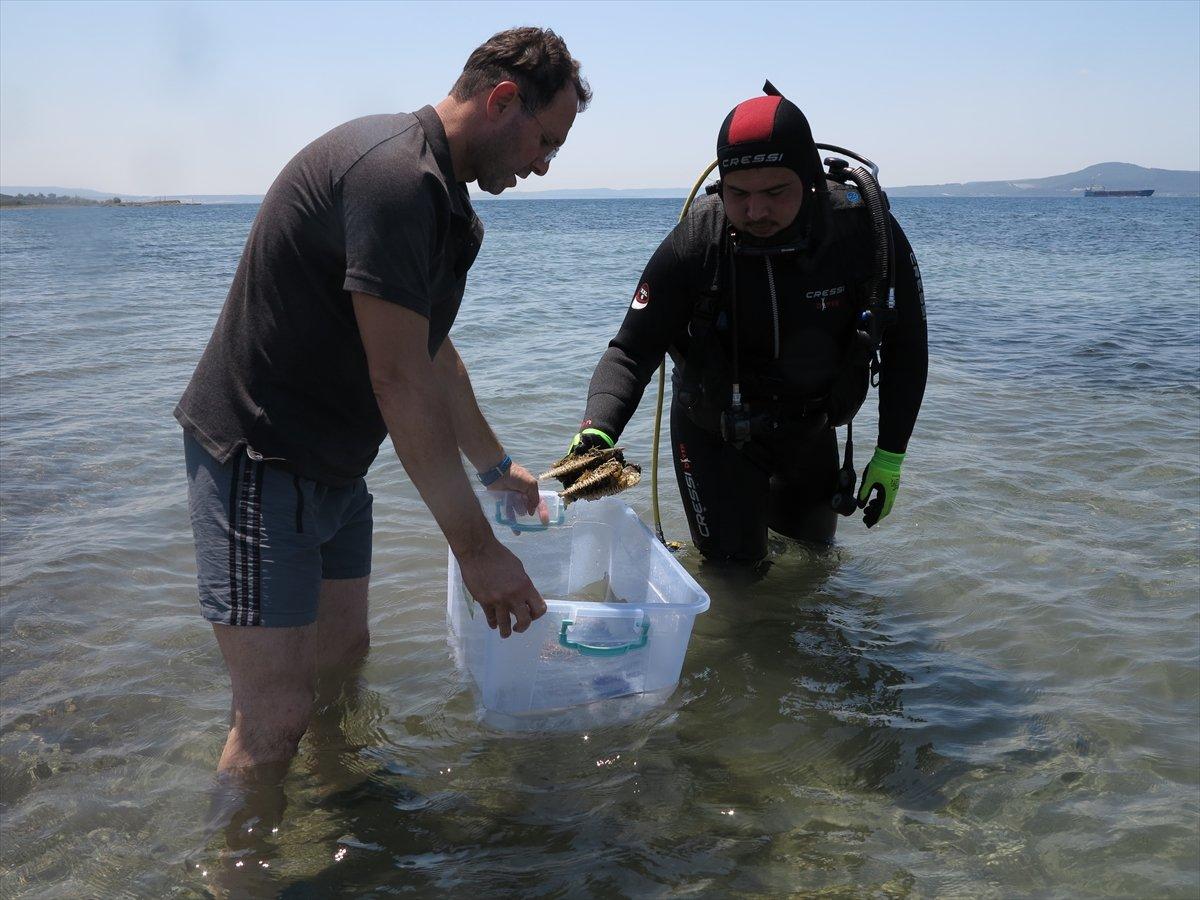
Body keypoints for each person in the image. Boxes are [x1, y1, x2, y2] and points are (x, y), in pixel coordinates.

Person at [176, 27, 590, 773]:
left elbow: (431, 352)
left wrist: (497, 469)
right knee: (273, 718)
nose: (543, 164)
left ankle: (342, 824)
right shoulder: (395, 178)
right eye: (545, 141)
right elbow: (397, 380)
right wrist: (477, 550)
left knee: (343, 659)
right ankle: (235, 882)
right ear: (503, 100)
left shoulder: (442, 198)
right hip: (259, 459)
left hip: (334, 466)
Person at [567, 87, 927, 563]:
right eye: (739, 194)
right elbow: (633, 350)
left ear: (810, 179)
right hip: (713, 433)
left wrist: (890, 454)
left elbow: (908, 344)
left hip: (811, 430)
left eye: (775, 192)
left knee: (813, 567)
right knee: (735, 583)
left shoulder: (863, 232)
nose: (756, 211)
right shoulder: (699, 240)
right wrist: (598, 430)